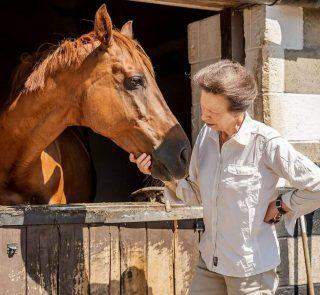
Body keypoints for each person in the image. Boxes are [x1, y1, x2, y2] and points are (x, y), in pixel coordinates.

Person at [129, 60, 320, 294]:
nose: (204, 117)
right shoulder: (206, 137)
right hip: (210, 262)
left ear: (238, 111)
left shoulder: (266, 143)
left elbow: (317, 185)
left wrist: (283, 205)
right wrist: (160, 174)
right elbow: (196, 195)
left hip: (250, 273)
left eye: (213, 112)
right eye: (203, 108)